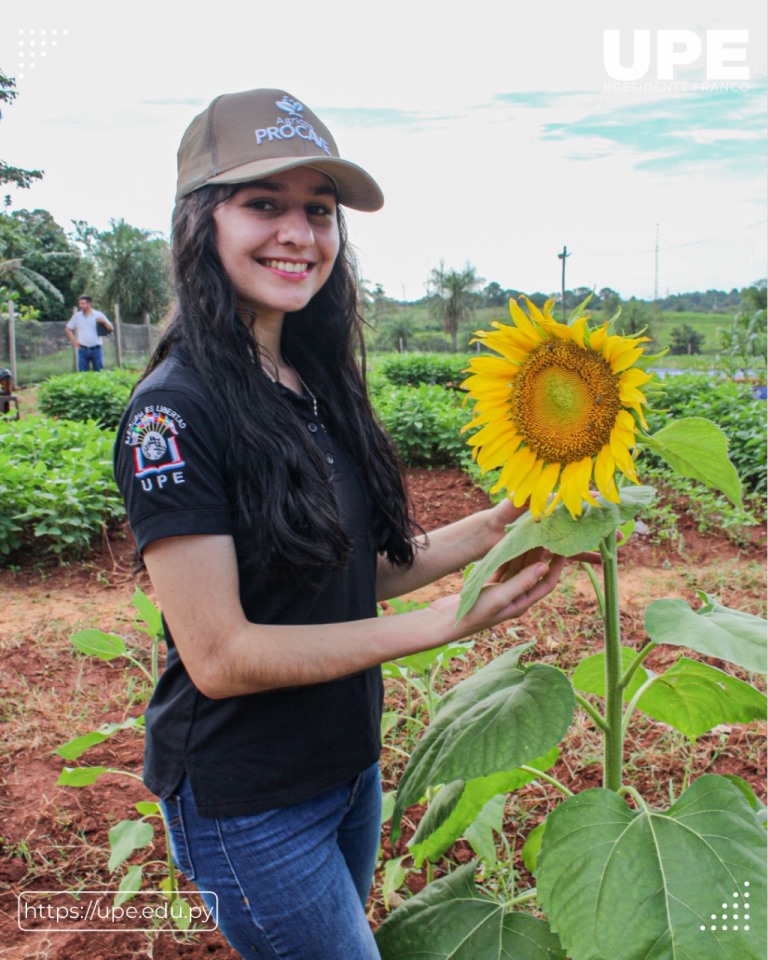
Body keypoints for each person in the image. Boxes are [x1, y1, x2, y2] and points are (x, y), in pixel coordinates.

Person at [113, 88, 581, 960]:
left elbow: (340, 573)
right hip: (248, 800)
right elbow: (220, 657)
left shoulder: (307, 381)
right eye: (264, 204)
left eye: (318, 211)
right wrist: (444, 625)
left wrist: (492, 529)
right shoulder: (173, 415)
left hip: (345, 767)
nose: (299, 233)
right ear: (199, 224)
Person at [65, 295, 113, 371]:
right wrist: (73, 341)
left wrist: (103, 322)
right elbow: (68, 329)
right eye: (80, 304)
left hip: (96, 349)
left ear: (89, 304)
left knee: (99, 372)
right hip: (82, 349)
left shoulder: (98, 315)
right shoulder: (77, 316)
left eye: (83, 303)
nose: (80, 306)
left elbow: (110, 329)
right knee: (83, 373)